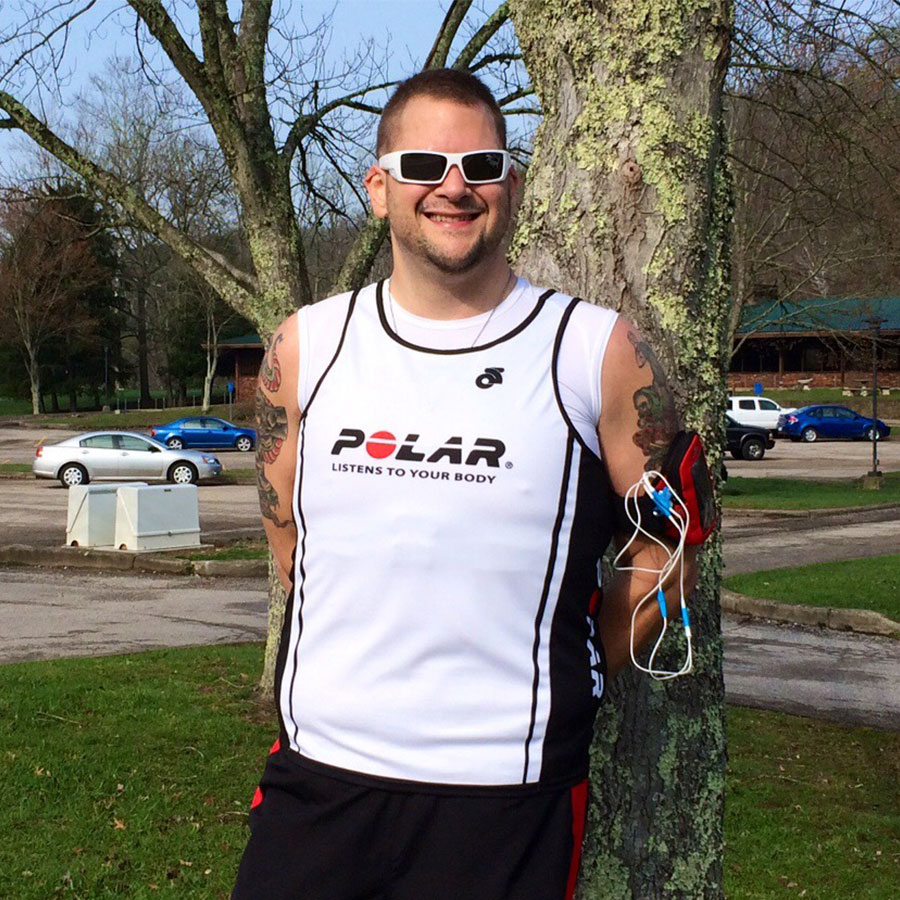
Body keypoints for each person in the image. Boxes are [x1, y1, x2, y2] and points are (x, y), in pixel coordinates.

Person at [233, 68, 697, 900]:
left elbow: (671, 548)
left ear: (510, 186)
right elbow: (290, 539)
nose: (454, 187)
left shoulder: (595, 351)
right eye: (422, 166)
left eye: (481, 166)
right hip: (320, 785)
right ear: (379, 189)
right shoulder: (305, 348)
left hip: (506, 798)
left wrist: (584, 664)